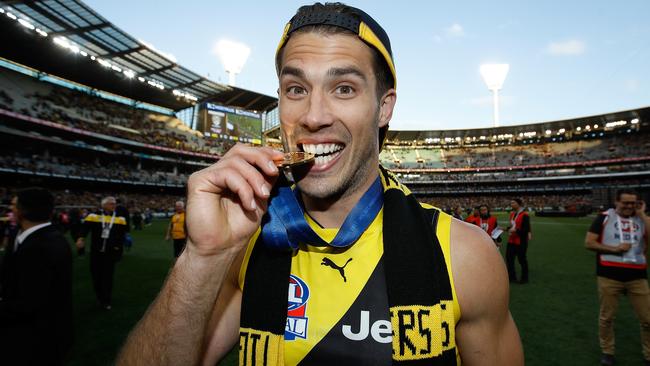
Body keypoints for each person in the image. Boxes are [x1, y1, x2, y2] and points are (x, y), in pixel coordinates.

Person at [117, 3, 523, 365]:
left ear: (383, 107)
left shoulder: (465, 256)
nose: (313, 116)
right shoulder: (247, 246)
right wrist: (203, 257)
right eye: (296, 89)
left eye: (343, 88)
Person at [0, 188, 72, 365]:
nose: (11, 209)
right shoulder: (28, 235)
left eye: (14, 205)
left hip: (35, 339)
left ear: (22, 211)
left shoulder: (40, 247)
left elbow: (30, 303)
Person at [585, 189, 650, 366]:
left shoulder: (642, 219)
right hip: (609, 275)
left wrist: (643, 214)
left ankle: (649, 354)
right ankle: (608, 352)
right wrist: (614, 249)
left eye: (633, 203)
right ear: (617, 202)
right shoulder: (604, 217)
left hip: (638, 276)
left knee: (647, 319)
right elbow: (589, 243)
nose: (629, 206)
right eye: (625, 202)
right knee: (607, 318)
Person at [76, 196, 128, 310]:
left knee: (108, 277)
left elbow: (121, 236)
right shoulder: (93, 216)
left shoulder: (120, 218)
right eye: (111, 204)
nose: (114, 205)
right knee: (96, 276)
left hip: (110, 253)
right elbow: (84, 229)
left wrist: (119, 250)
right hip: (96, 252)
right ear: (103, 205)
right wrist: (81, 238)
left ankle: (106, 300)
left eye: (114, 203)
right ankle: (100, 297)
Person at [506, 198, 531, 284]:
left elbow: (526, 229)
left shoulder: (525, 215)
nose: (511, 204)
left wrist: (515, 231)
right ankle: (512, 277)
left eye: (513, 203)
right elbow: (512, 226)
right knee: (509, 260)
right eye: (511, 203)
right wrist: (505, 229)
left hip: (521, 241)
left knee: (522, 260)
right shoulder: (512, 214)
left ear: (519, 204)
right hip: (511, 241)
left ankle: (524, 278)